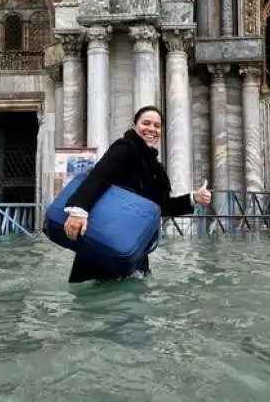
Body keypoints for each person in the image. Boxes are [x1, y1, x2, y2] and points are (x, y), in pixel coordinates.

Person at [62, 105, 212, 283]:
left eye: (157, 126)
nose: (151, 129)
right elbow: (99, 176)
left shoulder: (154, 167)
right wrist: (78, 210)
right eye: (146, 123)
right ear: (134, 125)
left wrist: (193, 198)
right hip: (103, 238)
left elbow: (158, 207)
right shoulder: (124, 148)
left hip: (134, 247)